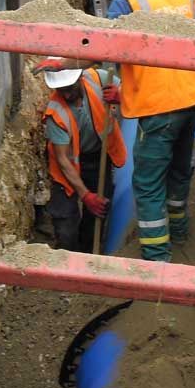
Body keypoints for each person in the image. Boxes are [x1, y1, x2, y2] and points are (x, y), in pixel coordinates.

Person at [37, 0, 195, 261]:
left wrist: (63, 61)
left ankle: (157, 258)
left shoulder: (127, 2)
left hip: (158, 106)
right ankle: (181, 230)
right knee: (178, 169)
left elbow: (102, 51)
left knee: (147, 184)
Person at [42, 60, 126, 253]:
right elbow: (63, 160)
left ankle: (90, 254)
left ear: (80, 77)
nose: (68, 94)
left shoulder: (99, 78)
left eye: (70, 88)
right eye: (62, 90)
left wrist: (120, 95)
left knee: (98, 213)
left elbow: (132, 93)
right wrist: (86, 195)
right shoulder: (56, 112)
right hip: (68, 168)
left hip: (98, 157)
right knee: (65, 227)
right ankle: (68, 260)